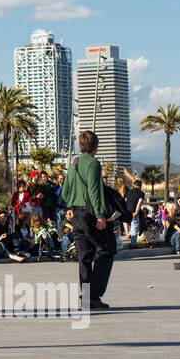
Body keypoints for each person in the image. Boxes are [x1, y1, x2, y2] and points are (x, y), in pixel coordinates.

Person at [61, 130, 112, 309]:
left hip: (75, 215)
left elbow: (65, 191)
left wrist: (71, 205)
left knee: (85, 256)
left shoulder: (74, 164)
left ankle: (88, 297)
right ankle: (94, 294)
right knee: (106, 250)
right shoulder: (94, 164)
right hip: (89, 215)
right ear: (96, 147)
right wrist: (100, 215)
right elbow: (94, 191)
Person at [125, 180, 145, 246]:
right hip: (134, 212)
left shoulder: (129, 192)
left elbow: (125, 201)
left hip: (127, 211)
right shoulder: (141, 193)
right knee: (134, 228)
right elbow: (139, 203)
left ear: (133, 185)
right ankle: (133, 244)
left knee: (132, 226)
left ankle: (128, 234)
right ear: (140, 186)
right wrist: (136, 212)